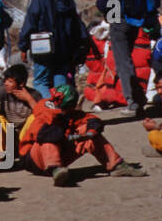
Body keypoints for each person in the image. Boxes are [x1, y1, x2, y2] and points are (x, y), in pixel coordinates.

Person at [18, 78, 146, 185]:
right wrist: (68, 137)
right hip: (34, 158)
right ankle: (55, 169)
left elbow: (91, 120)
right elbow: (41, 133)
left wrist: (89, 132)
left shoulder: (70, 114)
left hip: (59, 150)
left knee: (91, 135)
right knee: (50, 137)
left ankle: (116, 165)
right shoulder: (45, 109)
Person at [18, 0, 84, 97]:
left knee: (41, 82)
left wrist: (23, 47)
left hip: (42, 47)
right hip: (64, 48)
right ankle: (62, 107)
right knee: (60, 78)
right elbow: (76, 25)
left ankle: (50, 108)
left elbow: (30, 24)